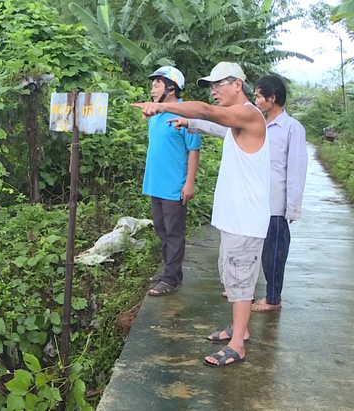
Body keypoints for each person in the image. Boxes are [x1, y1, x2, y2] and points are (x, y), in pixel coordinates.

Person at [133, 62, 269, 367]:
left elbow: (208, 113)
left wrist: (164, 109)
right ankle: (240, 328)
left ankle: (237, 344)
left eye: (218, 85)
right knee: (233, 274)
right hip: (236, 216)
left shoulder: (248, 113)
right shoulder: (238, 121)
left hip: (245, 218)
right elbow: (212, 124)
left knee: (241, 276)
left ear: (237, 84)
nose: (214, 91)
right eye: (211, 87)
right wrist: (187, 123)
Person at [177, 75, 308, 312]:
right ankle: (246, 294)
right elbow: (219, 124)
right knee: (250, 254)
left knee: (273, 255)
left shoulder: (291, 128)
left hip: (275, 204)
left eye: (259, 95)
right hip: (252, 203)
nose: (256, 100)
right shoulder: (254, 122)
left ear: (273, 97)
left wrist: (292, 207)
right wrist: (190, 123)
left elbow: (297, 168)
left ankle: (272, 297)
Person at [141, 66, 201, 297]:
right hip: (156, 184)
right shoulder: (155, 116)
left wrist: (189, 183)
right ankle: (172, 271)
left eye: (157, 84)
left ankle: (170, 279)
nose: (152, 88)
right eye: (153, 84)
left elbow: (193, 150)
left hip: (174, 185)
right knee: (161, 229)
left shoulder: (185, 114)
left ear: (171, 88)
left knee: (174, 232)